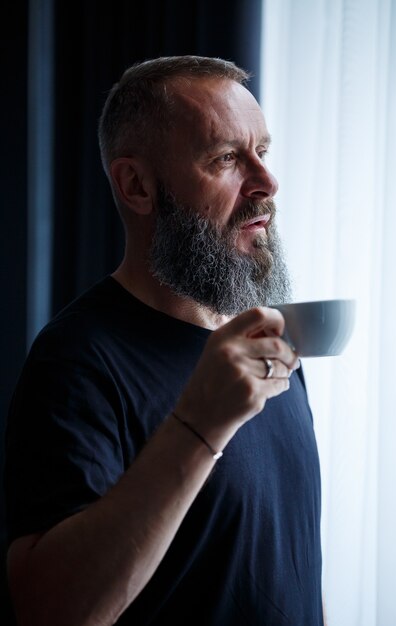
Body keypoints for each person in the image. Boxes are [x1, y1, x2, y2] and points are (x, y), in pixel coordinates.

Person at [4, 55, 324, 625]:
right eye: (226, 158)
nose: (266, 182)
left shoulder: (268, 340)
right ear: (137, 185)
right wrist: (199, 427)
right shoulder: (79, 359)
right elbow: (50, 610)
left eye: (263, 152)